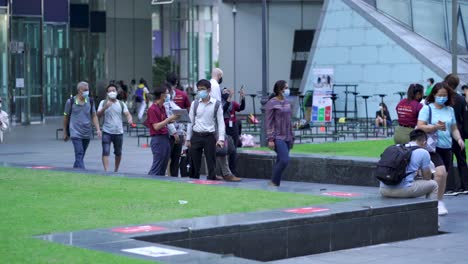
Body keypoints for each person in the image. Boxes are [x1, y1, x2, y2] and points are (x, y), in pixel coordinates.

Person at [417, 82, 465, 215]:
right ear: (434, 95)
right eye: (440, 95)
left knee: (444, 176)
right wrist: (435, 127)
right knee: (440, 173)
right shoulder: (427, 109)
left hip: (447, 147)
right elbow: (420, 126)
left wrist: (459, 139)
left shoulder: (449, 109)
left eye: (445, 95)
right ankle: (434, 202)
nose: (442, 97)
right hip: (432, 147)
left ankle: (439, 200)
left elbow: (454, 128)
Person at [380, 129, 438, 199]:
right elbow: (427, 177)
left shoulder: (396, 147)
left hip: (383, 189)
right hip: (403, 190)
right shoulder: (423, 152)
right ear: (424, 142)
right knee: (434, 185)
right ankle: (430, 209)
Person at [186, 79, 225, 180]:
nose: (200, 92)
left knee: (211, 165)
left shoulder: (217, 104)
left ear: (209, 90)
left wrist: (221, 138)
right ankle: (193, 185)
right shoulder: (195, 104)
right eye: (198, 89)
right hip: (196, 136)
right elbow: (190, 122)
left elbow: (221, 122)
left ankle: (211, 184)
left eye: (202, 89)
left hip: (209, 137)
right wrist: (188, 139)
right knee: (194, 166)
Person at [63, 81, 102, 169]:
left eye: (87, 89)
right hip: (75, 132)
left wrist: (98, 129)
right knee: (79, 152)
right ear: (79, 90)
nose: (87, 91)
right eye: (85, 90)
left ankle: (75, 170)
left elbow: (94, 115)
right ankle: (83, 172)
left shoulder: (90, 101)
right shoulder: (70, 102)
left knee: (80, 155)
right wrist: (65, 131)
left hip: (87, 132)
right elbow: (66, 117)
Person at [97, 84, 133, 172]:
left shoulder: (121, 103)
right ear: (107, 93)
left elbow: (127, 114)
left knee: (118, 152)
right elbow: (98, 115)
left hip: (118, 132)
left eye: (113, 90)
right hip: (107, 131)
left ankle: (116, 169)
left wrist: (130, 119)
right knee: (105, 151)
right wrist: (105, 107)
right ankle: (106, 170)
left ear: (117, 92)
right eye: (110, 91)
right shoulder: (103, 102)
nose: (112, 92)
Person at [265, 80, 294, 187]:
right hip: (277, 136)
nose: (287, 90)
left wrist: (292, 136)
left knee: (280, 160)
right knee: (284, 160)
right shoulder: (271, 103)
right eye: (285, 88)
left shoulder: (287, 102)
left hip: (288, 136)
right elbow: (269, 122)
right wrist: (270, 139)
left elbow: (289, 120)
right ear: (279, 89)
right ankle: (273, 182)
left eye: (287, 88)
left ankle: (274, 183)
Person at [146, 86, 179, 176]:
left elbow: (164, 121)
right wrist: (169, 119)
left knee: (163, 165)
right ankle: (149, 182)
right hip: (158, 139)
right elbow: (156, 126)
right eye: (167, 93)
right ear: (162, 95)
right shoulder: (152, 109)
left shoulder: (162, 107)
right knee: (157, 165)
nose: (169, 95)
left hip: (165, 138)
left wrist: (175, 119)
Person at [443, 74, 468, 195]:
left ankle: (450, 187)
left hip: (447, 132)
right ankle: (465, 186)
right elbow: (464, 117)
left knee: (448, 159)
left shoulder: (446, 99)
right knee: (462, 160)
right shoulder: (461, 99)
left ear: (447, 83)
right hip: (460, 132)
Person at [162, 81, 184, 177]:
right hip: (171, 135)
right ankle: (167, 175)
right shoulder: (163, 105)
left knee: (176, 158)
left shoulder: (172, 103)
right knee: (168, 158)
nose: (170, 94)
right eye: (167, 93)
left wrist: (182, 132)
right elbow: (168, 119)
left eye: (170, 92)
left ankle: (174, 177)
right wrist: (174, 133)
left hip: (178, 133)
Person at [222, 87, 245, 175]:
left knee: (233, 150)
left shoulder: (233, 103)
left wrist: (242, 97)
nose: (226, 92)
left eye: (227, 91)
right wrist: (229, 98)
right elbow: (224, 109)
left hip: (233, 128)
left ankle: (233, 171)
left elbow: (241, 108)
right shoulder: (220, 103)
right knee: (224, 149)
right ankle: (224, 171)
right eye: (224, 91)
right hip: (224, 127)